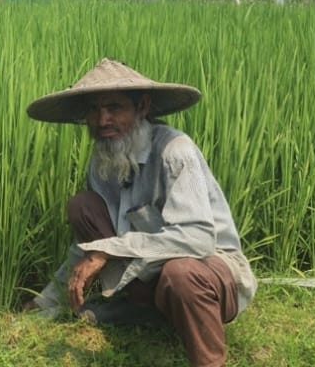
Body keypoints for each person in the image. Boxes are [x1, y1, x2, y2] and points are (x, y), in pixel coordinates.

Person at [23, 58, 256, 367]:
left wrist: (107, 250)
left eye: (114, 107)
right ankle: (144, 311)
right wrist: (47, 300)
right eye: (94, 109)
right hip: (149, 274)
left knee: (181, 273)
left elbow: (198, 239)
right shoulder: (103, 160)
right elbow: (91, 246)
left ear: (142, 106)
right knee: (84, 207)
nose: (102, 119)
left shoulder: (176, 151)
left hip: (208, 271)